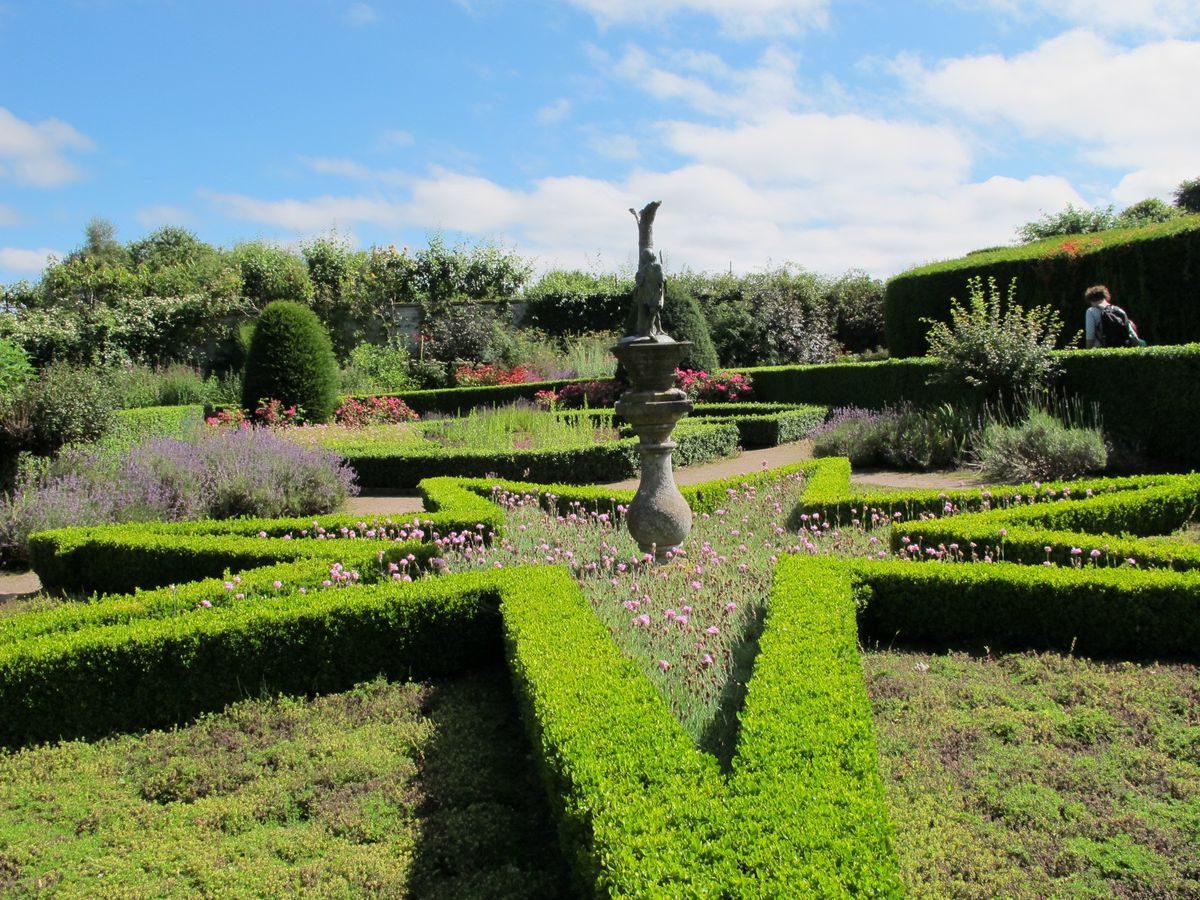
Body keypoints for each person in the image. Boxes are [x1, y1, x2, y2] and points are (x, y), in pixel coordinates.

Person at [1084, 284, 1141, 348]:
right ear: (1105, 297)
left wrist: (1087, 351)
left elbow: (1090, 334)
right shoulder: (1119, 310)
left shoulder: (1091, 311)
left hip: (1101, 350)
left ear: (1091, 300)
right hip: (1122, 349)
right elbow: (1132, 334)